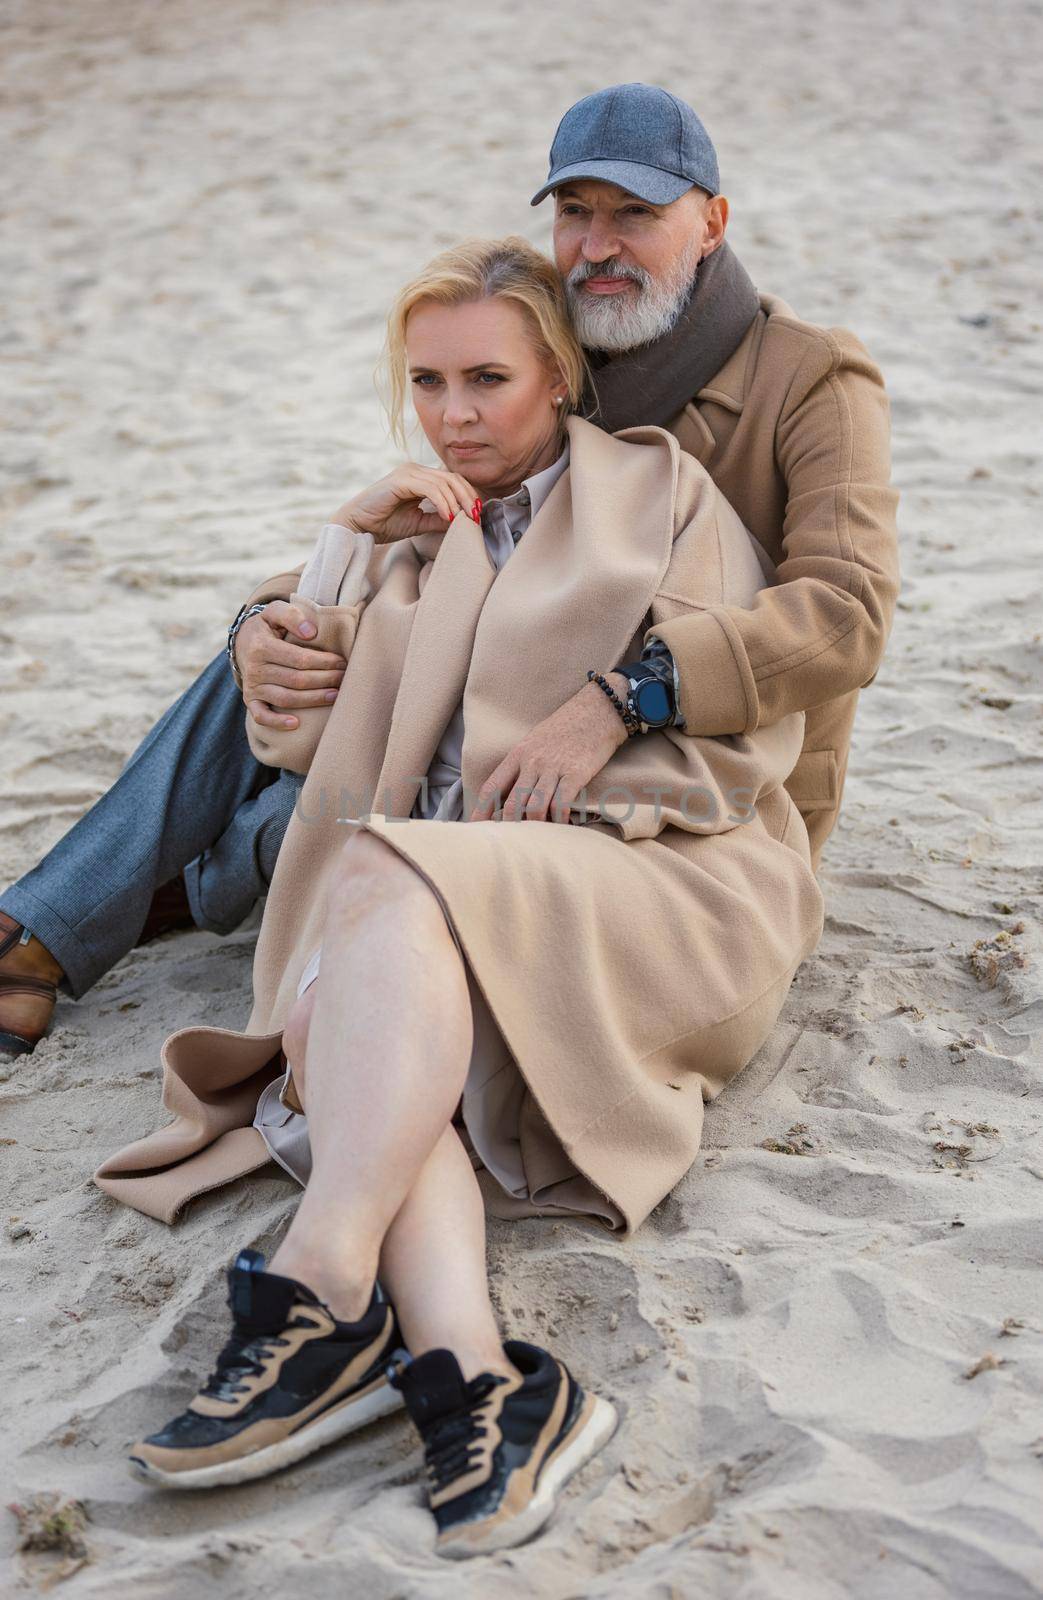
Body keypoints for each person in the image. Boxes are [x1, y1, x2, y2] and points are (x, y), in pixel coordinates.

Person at [110, 234, 825, 1555]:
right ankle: (481, 1380)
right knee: (348, 1031)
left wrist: (582, 776)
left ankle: (316, 1280)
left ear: (557, 375)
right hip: (420, 900)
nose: (455, 413)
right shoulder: (409, 536)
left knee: (381, 893)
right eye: (427, 383)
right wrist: (338, 542)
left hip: (641, 877)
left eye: (486, 378)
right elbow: (287, 742)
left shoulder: (657, 494)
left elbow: (737, 738)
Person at [0, 81, 898, 1079]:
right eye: (572, 212)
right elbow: (440, 534)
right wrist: (262, 616)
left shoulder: (807, 376)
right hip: (490, 721)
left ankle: (156, 890)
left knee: (304, 819)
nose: (596, 246)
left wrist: (624, 695)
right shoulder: (561, 335)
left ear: (710, 222)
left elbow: (845, 611)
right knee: (285, 653)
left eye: (634, 213)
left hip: (682, 779)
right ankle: (51, 925)